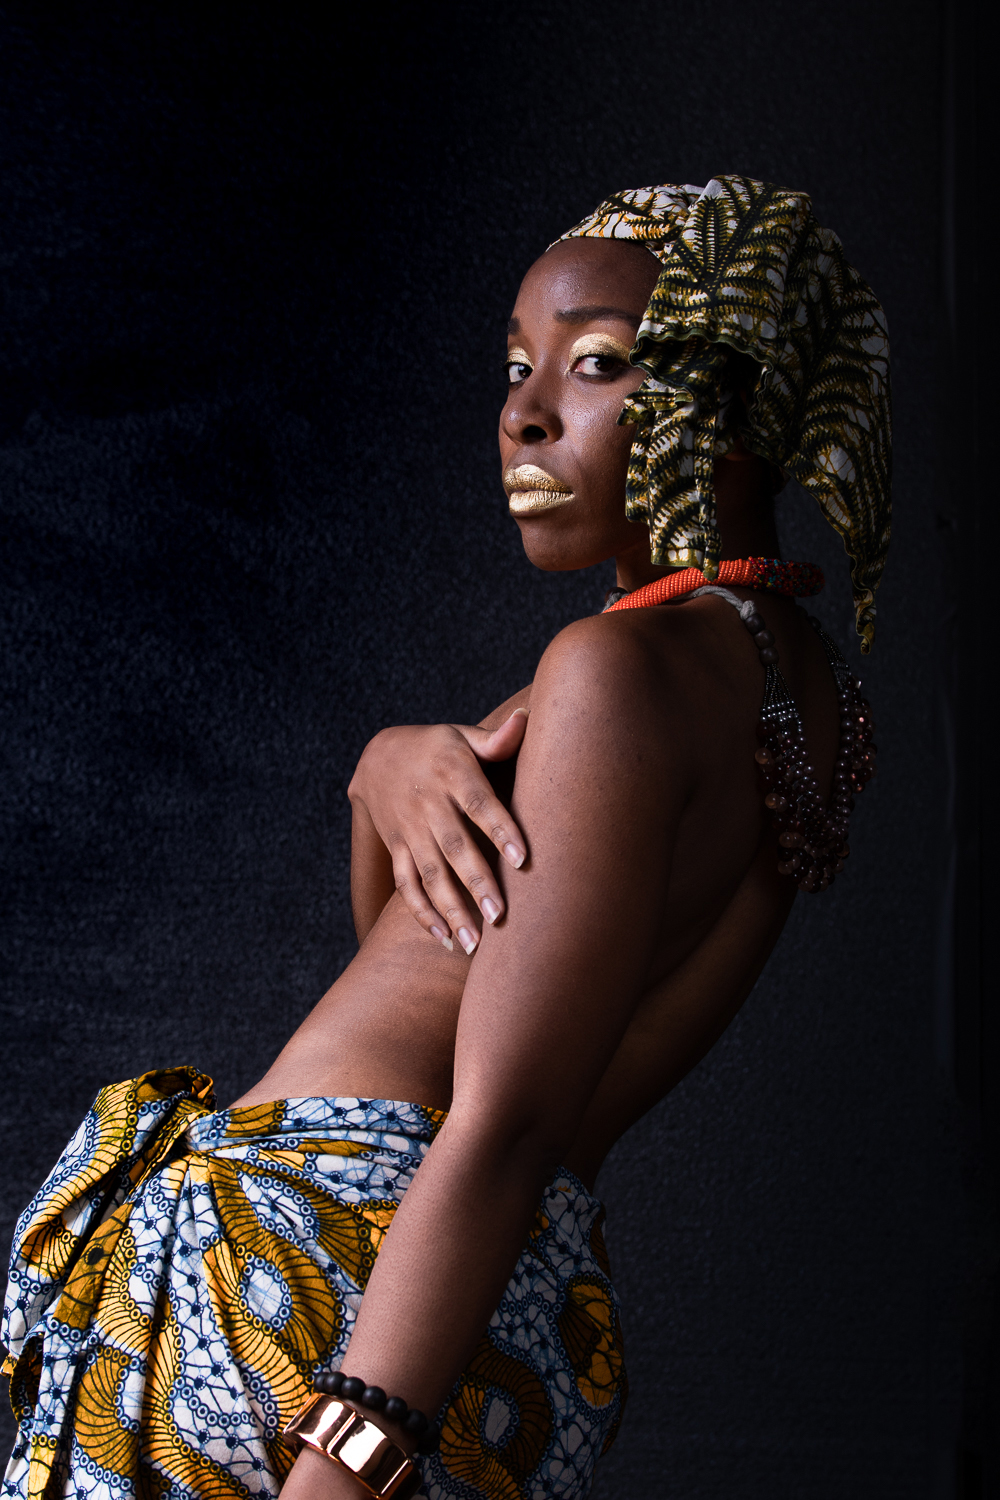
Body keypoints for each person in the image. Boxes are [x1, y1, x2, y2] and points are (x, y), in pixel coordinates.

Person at [2, 176, 890, 1500]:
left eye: (599, 363)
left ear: (739, 406)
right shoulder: (783, 680)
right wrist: (385, 776)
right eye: (517, 368)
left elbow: (505, 1115)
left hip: (339, 1296)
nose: (525, 413)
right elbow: (441, 954)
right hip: (475, 1289)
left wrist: (353, 1448)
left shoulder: (611, 672)